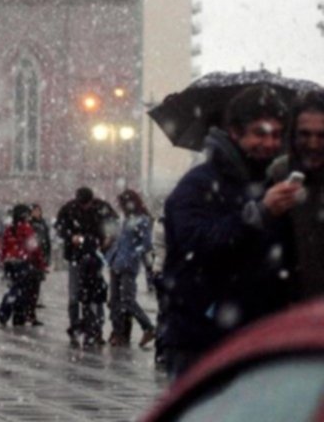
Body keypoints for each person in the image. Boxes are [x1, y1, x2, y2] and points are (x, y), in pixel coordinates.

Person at [163, 84, 296, 379]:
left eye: (276, 135)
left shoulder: (274, 185)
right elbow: (196, 243)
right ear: (235, 132)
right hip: (202, 338)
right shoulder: (197, 185)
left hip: (260, 339)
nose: (270, 143)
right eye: (260, 133)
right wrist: (259, 214)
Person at [268, 91, 324, 302]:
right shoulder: (278, 174)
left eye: (321, 135)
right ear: (293, 134)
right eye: (305, 134)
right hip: (290, 309)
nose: (313, 144)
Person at [54, 187, 108, 347]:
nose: (85, 207)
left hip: (93, 257)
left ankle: (94, 329)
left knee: (93, 295)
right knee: (75, 296)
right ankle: (76, 327)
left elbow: (112, 225)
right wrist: (71, 237)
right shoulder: (69, 209)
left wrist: (104, 241)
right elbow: (59, 227)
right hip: (76, 257)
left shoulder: (99, 208)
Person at [106, 189, 156, 348]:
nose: (122, 207)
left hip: (128, 265)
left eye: (123, 204)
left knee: (127, 300)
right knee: (114, 300)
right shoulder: (125, 220)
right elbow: (120, 241)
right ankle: (118, 333)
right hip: (115, 262)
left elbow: (146, 245)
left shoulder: (142, 220)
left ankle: (148, 327)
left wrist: (132, 255)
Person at [0, 204, 46, 326]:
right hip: (23, 263)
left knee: (15, 288)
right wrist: (41, 265)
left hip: (10, 262)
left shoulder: (9, 229)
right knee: (23, 291)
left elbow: (4, 247)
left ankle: (11, 312)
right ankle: (12, 313)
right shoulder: (26, 229)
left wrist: (4, 260)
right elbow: (34, 249)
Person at [29, 205, 51, 308]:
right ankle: (33, 299)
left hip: (41, 252)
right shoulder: (30, 223)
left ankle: (37, 299)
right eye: (35, 211)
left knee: (40, 278)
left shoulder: (43, 224)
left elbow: (47, 239)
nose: (37, 213)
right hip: (32, 254)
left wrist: (47, 254)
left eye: (38, 211)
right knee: (33, 278)